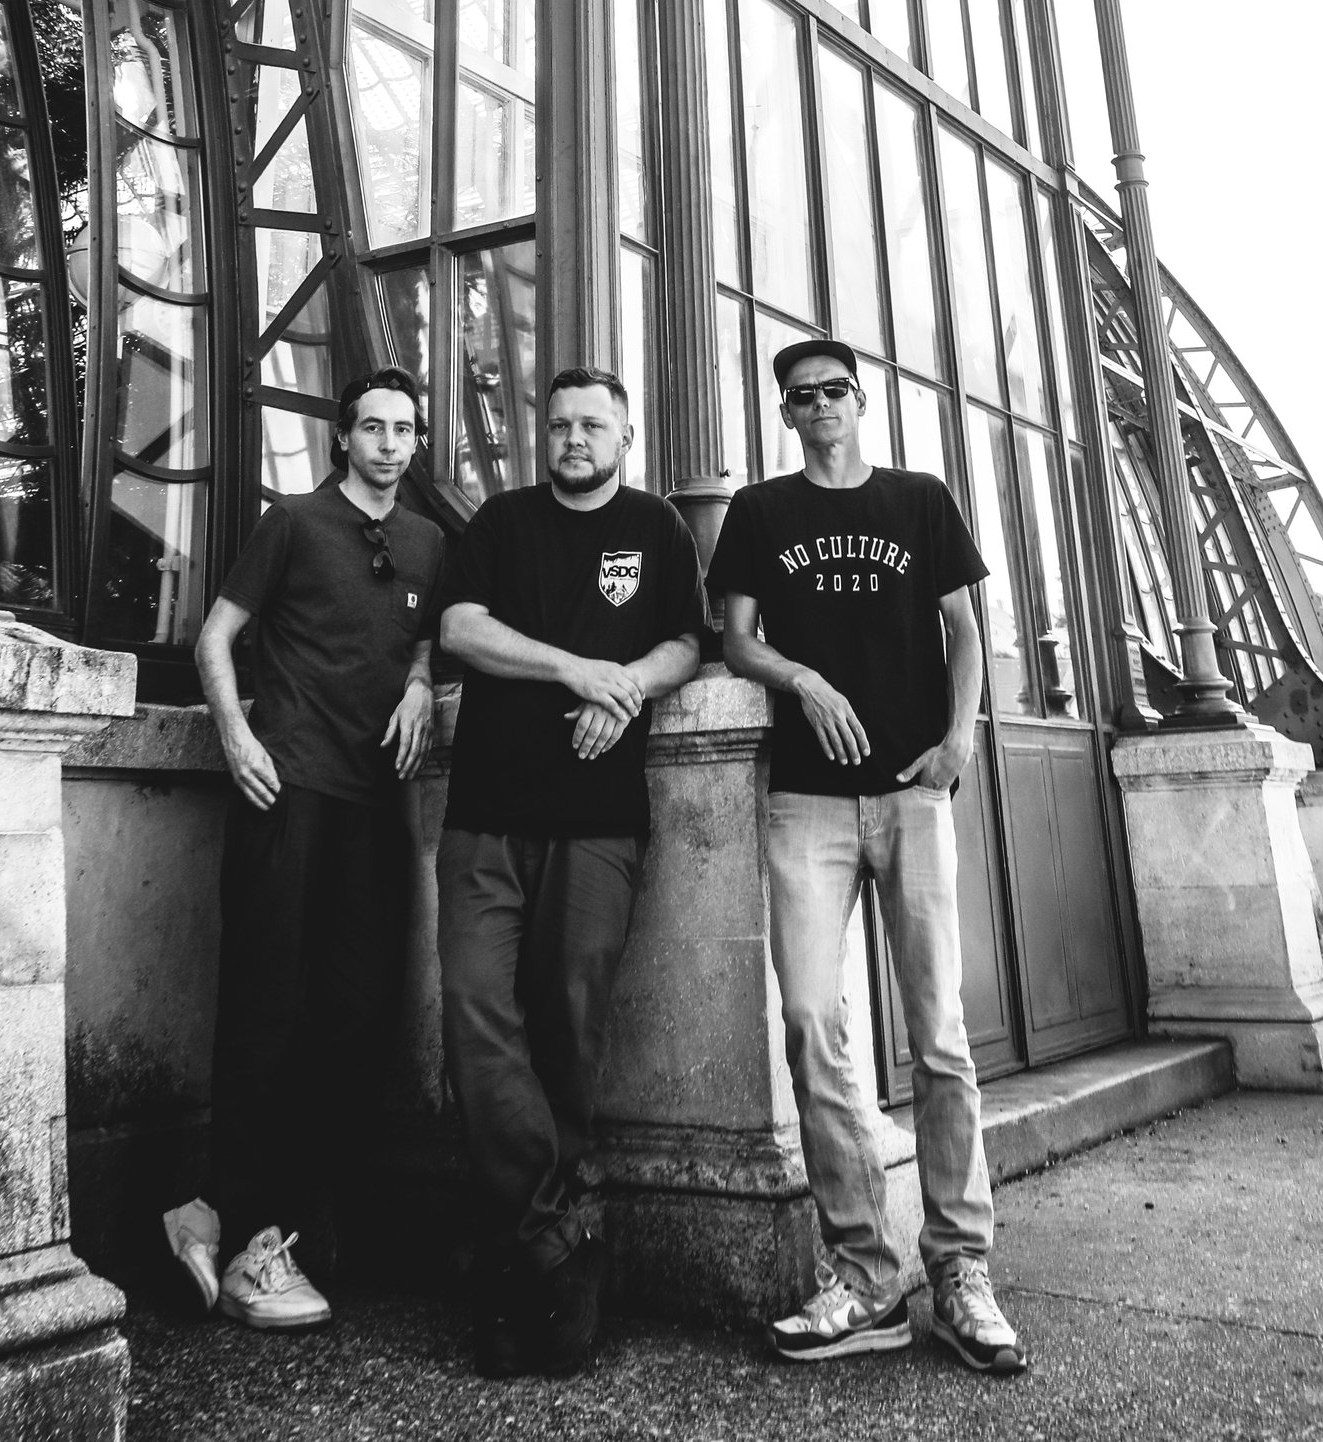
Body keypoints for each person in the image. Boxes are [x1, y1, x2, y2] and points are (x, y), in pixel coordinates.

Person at [706, 338, 1028, 1375]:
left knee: (939, 1035)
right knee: (812, 1024)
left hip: (911, 792)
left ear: (860, 399)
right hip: (806, 800)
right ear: (786, 413)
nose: (820, 407)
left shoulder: (918, 499)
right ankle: (865, 1276)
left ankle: (962, 1269)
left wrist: (961, 738)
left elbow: (966, 627)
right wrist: (803, 678)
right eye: (801, 397)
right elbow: (737, 639)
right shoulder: (760, 511)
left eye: (834, 390)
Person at [161, 367, 446, 1331]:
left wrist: (419, 684)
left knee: (357, 1014)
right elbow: (215, 637)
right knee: (267, 1009)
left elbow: (420, 639)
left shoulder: (427, 542)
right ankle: (249, 1239)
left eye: (404, 429)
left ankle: (225, 1214)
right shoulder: (292, 520)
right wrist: (236, 735)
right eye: (373, 428)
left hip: (374, 801)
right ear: (342, 437)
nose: (390, 444)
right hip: (286, 791)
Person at [437, 366, 707, 1377]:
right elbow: (458, 628)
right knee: (474, 1011)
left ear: (625, 436)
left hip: (596, 820)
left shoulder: (657, 527)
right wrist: (573, 667)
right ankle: (561, 1237)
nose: (574, 438)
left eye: (593, 424)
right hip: (486, 815)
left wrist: (626, 685)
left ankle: (523, 1271)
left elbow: (687, 641)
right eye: (558, 424)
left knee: (567, 1022)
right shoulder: (501, 521)